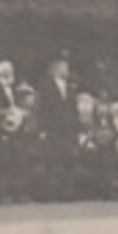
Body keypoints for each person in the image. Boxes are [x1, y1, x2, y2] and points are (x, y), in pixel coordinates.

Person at [0, 60, 30, 203]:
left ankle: (18, 193)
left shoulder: (15, 91)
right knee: (2, 164)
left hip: (15, 131)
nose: (10, 75)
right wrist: (3, 113)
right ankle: (2, 195)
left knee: (17, 162)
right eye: (7, 72)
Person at [36, 54, 81, 201]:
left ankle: (68, 192)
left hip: (68, 130)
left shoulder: (71, 88)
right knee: (53, 161)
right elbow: (42, 109)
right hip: (53, 130)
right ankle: (51, 194)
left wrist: (77, 129)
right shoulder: (46, 87)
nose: (67, 70)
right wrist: (42, 129)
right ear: (56, 69)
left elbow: (74, 110)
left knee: (69, 160)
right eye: (64, 67)